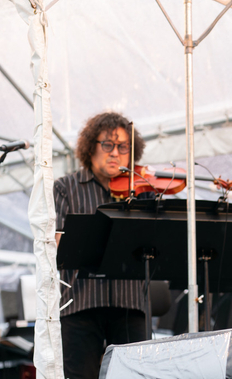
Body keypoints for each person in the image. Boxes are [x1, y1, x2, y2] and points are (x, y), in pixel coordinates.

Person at [54, 112, 148, 379]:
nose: (115, 153)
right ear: (90, 147)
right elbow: (57, 247)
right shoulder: (65, 188)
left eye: (123, 147)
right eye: (107, 144)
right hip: (80, 305)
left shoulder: (142, 190)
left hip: (130, 304)